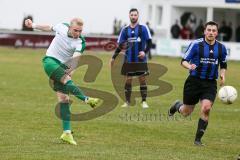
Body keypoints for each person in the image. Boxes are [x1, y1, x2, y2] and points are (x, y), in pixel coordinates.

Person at [25, 18, 100, 145]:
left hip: (63, 66)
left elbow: (76, 58)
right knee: (66, 80)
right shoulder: (61, 27)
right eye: (76, 30)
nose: (78, 33)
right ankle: (87, 99)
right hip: (50, 61)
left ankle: (66, 133)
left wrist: (71, 69)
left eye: (80, 31)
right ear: (70, 27)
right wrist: (33, 25)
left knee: (64, 99)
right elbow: (48, 27)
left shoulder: (80, 42)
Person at [168, 21, 227, 146]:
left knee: (206, 108)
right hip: (194, 82)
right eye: (209, 30)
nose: (211, 32)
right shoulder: (196, 44)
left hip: (210, 84)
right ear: (204, 31)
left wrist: (222, 75)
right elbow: (183, 61)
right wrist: (190, 66)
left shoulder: (221, 48)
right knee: (186, 112)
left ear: (217, 33)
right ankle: (177, 105)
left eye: (214, 30)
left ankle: (198, 140)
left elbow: (223, 65)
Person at [110, 8, 152, 108]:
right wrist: (113, 57)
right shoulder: (125, 29)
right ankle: (127, 102)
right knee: (128, 80)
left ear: (138, 16)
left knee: (142, 80)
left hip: (140, 60)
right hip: (128, 60)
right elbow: (121, 45)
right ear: (129, 16)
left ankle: (144, 101)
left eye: (135, 15)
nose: (133, 17)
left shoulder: (143, 28)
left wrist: (144, 52)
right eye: (132, 15)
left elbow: (150, 42)